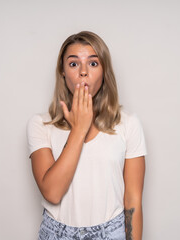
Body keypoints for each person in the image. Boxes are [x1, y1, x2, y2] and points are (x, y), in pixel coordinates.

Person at [27, 31, 147, 240]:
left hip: (111, 233)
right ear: (62, 71)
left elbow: (133, 199)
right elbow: (52, 193)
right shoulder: (41, 124)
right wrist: (79, 128)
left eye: (93, 63)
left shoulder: (128, 123)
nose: (83, 72)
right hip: (57, 233)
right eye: (74, 64)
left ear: (104, 70)